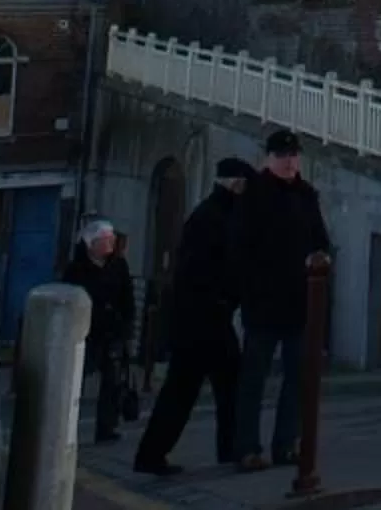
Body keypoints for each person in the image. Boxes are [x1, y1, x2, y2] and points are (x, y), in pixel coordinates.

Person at [133, 157, 250, 479]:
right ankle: (160, 453)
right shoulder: (213, 218)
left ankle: (158, 452)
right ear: (237, 184)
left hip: (201, 315)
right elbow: (205, 270)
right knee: (198, 387)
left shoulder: (212, 214)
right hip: (203, 316)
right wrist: (224, 299)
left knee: (203, 386)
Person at [227, 129, 332, 472]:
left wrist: (317, 262)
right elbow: (240, 248)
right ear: (270, 158)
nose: (289, 162)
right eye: (283, 156)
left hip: (299, 301)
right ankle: (247, 447)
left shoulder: (306, 195)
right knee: (254, 379)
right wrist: (248, 290)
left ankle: (286, 444)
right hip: (263, 301)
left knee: (298, 377)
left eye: (293, 156)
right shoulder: (254, 195)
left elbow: (321, 240)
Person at [64, 218, 138, 444]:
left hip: (112, 330)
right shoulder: (77, 268)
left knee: (113, 381)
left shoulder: (118, 265)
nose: (111, 244)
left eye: (113, 240)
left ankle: (106, 428)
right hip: (86, 329)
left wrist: (127, 327)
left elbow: (127, 297)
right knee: (75, 380)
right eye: (106, 240)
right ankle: (66, 427)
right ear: (92, 243)